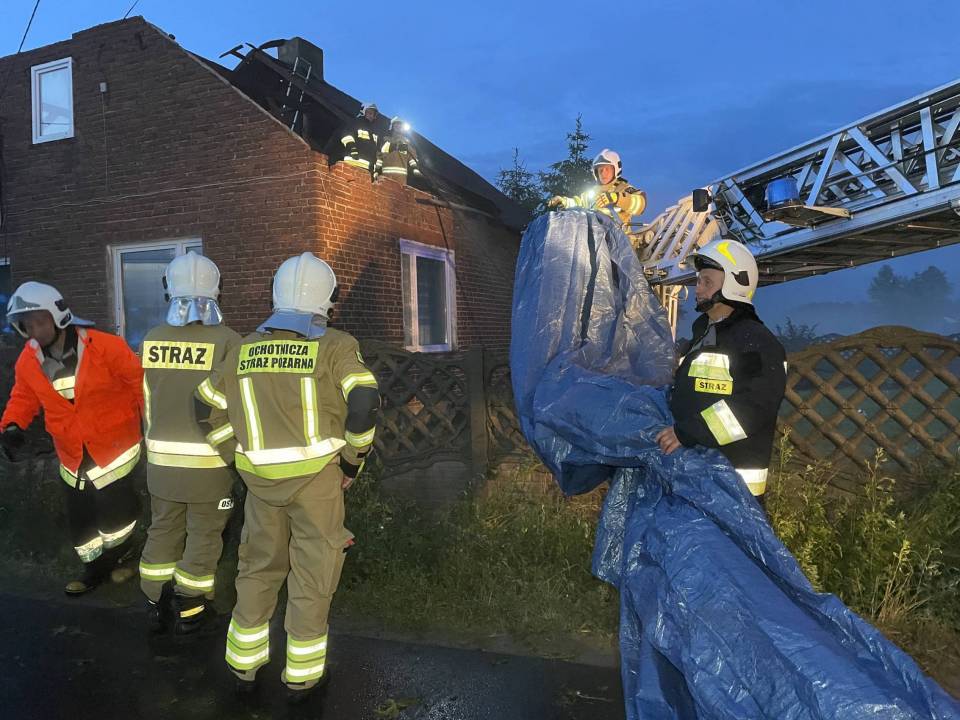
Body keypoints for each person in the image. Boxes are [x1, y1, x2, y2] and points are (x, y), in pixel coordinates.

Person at [197, 251, 380, 703]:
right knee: (313, 576)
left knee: (257, 570)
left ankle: (243, 668)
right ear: (327, 300)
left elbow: (204, 405)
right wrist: (352, 461)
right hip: (318, 482)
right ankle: (302, 678)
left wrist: (234, 455)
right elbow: (364, 404)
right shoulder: (335, 345)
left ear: (275, 295)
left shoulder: (243, 348)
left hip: (259, 485)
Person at [0, 282, 143, 594]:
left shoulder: (104, 346)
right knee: (80, 516)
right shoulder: (29, 360)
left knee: (116, 512)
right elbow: (23, 396)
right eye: (28, 325)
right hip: (71, 452)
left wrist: (153, 424)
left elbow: (139, 383)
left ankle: (124, 557)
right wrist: (11, 425)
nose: (35, 330)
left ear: (58, 317)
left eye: (40, 322)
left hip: (114, 446)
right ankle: (93, 569)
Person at [138, 252, 242, 636]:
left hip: (161, 464)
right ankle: (191, 607)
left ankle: (155, 600)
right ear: (217, 291)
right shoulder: (229, 341)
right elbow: (237, 405)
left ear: (169, 290)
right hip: (211, 466)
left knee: (163, 529)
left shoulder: (152, 338)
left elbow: (146, 399)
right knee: (204, 535)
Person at [656, 239, 787, 505]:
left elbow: (751, 408)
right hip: (697, 480)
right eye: (698, 281)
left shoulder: (756, 342)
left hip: (734, 494)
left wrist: (686, 433)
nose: (698, 289)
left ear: (735, 284)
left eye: (707, 282)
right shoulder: (704, 336)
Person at [547, 149, 646, 227]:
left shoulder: (623, 188)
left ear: (616, 169)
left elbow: (641, 204)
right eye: (600, 170)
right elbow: (579, 203)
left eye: (607, 169)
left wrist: (617, 198)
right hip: (594, 239)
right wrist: (564, 202)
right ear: (596, 173)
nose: (603, 173)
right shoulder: (593, 192)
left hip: (620, 241)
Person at [336, 102, 383, 179]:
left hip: (368, 170)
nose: (371, 116)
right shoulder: (356, 122)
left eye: (373, 114)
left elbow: (377, 152)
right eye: (369, 113)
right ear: (363, 112)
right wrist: (352, 148)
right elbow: (346, 135)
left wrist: (377, 169)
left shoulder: (374, 132)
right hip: (352, 163)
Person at [376, 116, 420, 183]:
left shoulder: (406, 142)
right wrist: (376, 170)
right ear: (392, 127)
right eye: (396, 124)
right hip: (386, 175)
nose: (398, 126)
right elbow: (380, 156)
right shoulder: (386, 139)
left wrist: (415, 168)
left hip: (401, 177)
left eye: (400, 125)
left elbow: (412, 157)